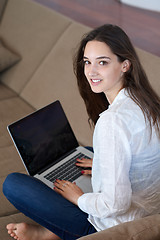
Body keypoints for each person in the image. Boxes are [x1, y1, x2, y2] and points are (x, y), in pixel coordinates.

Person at [3, 24, 160, 240]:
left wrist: (78, 198)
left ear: (125, 65)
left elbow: (116, 204)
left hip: (113, 228)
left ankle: (54, 233)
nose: (91, 71)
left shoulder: (112, 122)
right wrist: (100, 164)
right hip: (148, 211)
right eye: (87, 62)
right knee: (85, 153)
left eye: (102, 62)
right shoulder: (146, 101)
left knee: (13, 184)